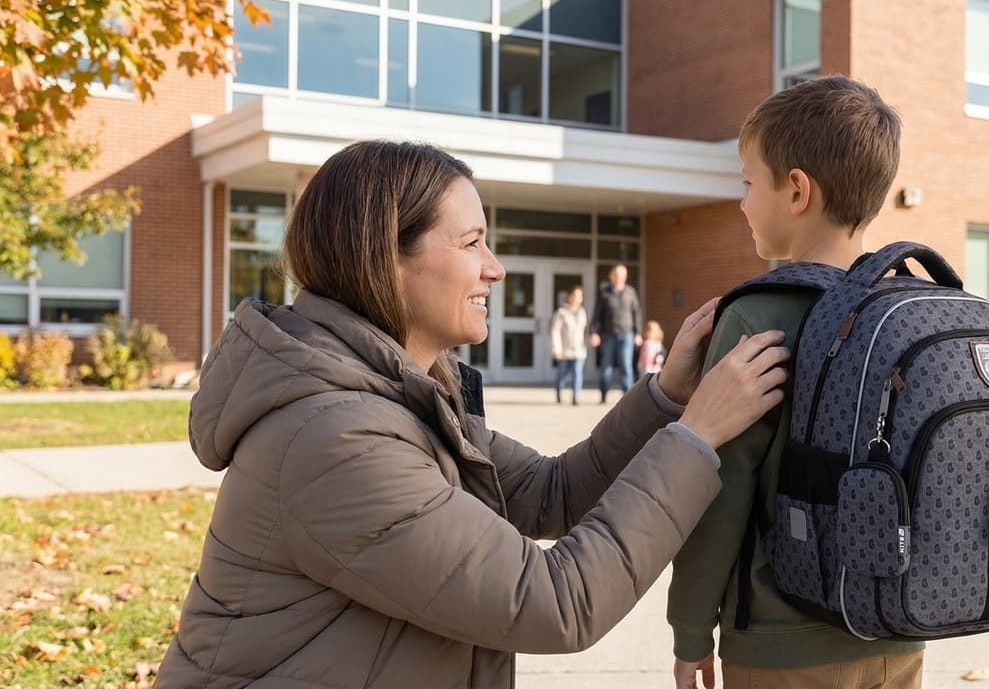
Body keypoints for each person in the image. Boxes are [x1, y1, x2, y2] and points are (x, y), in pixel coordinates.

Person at [155, 140, 791, 688]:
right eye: (471, 243)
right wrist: (696, 435)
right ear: (384, 259)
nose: (496, 268)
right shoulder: (336, 438)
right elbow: (556, 601)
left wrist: (667, 396)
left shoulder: (403, 395)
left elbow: (551, 492)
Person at [668, 76, 926, 689]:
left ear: (797, 191)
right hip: (899, 628)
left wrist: (690, 629)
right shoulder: (908, 311)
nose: (742, 202)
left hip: (781, 643)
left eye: (748, 183)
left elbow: (718, 489)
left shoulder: (757, 317)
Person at [590, 263, 642, 403]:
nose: (619, 277)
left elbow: (636, 313)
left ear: (625, 276)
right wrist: (594, 332)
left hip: (627, 334)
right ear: (611, 276)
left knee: (626, 365)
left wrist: (638, 333)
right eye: (617, 274)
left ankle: (628, 398)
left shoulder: (630, 292)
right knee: (605, 367)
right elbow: (597, 314)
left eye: (622, 275)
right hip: (608, 334)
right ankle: (603, 394)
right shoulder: (604, 292)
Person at [551, 284, 588, 404]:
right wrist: (556, 348)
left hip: (579, 350)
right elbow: (555, 331)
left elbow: (584, 330)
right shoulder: (561, 312)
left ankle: (575, 397)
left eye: (580, 296)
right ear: (569, 297)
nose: (577, 298)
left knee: (577, 373)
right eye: (575, 295)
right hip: (564, 350)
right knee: (562, 374)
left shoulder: (582, 312)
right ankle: (559, 392)